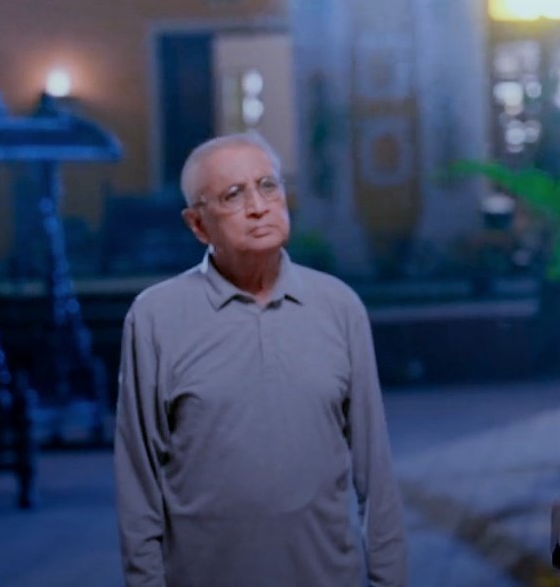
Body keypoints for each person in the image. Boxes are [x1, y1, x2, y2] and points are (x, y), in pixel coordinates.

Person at [114, 132, 407, 587]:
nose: (258, 206)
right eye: (233, 195)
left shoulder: (338, 306)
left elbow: (377, 474)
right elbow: (138, 485)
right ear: (198, 225)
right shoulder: (156, 317)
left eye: (268, 186)